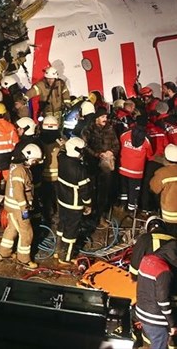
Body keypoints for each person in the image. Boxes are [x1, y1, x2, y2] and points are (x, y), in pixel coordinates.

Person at [134, 240, 177, 349]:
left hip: (141, 312)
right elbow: (163, 300)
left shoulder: (145, 259)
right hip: (155, 319)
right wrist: (172, 324)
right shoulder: (164, 271)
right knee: (159, 345)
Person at [0, 143, 42, 268]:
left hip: (12, 205)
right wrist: (24, 208)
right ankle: (23, 259)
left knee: (12, 229)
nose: (35, 163)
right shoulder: (20, 170)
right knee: (27, 233)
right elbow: (18, 191)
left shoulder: (16, 166)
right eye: (34, 160)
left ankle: (4, 253)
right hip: (18, 207)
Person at [150, 145, 177, 260]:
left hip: (170, 213)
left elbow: (154, 188)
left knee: (170, 236)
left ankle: (172, 257)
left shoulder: (162, 173)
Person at [55, 136, 92, 264]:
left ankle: (57, 250)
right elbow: (85, 190)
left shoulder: (62, 159)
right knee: (71, 230)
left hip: (61, 199)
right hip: (74, 204)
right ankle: (65, 257)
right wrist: (88, 204)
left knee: (62, 224)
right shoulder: (80, 169)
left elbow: (61, 151)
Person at [80, 108, 119, 220]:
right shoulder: (88, 130)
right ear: (97, 118)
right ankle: (90, 213)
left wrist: (111, 152)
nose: (105, 119)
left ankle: (101, 214)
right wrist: (97, 154)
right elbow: (85, 146)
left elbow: (116, 144)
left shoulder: (110, 129)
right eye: (102, 117)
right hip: (92, 164)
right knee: (92, 189)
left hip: (106, 165)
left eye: (106, 117)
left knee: (104, 189)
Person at [118, 116, 154, 212]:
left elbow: (120, 144)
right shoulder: (146, 138)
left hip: (123, 167)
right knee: (134, 192)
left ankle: (121, 206)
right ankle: (131, 212)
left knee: (123, 189)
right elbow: (150, 154)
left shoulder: (125, 134)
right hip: (136, 171)